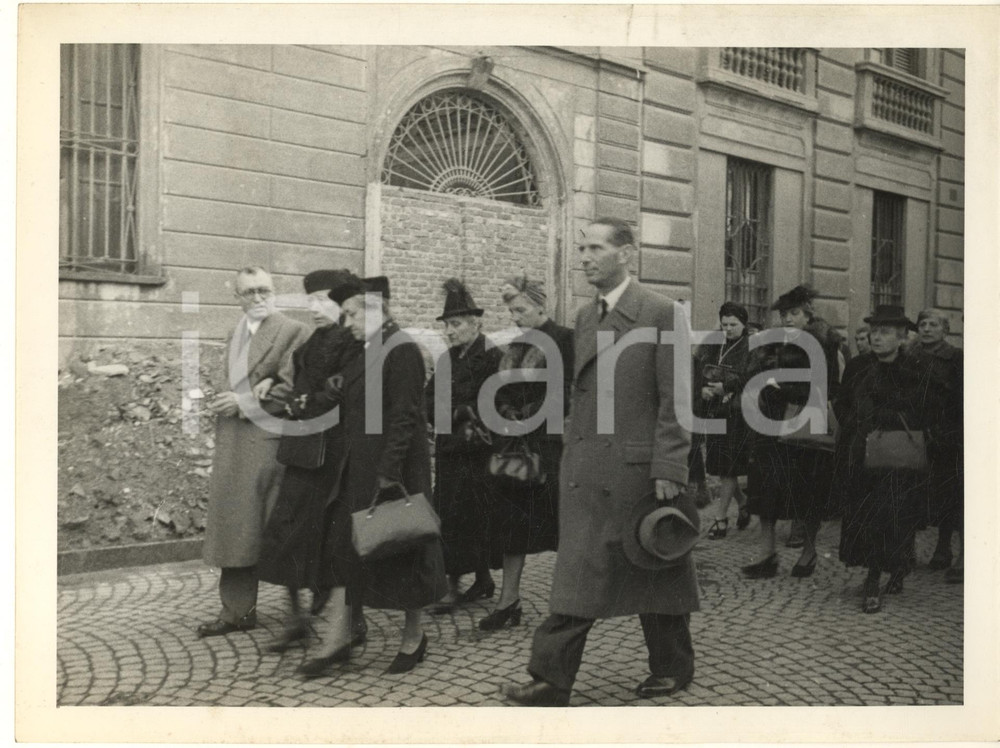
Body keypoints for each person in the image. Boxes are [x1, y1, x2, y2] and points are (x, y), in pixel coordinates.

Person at [502, 217, 699, 706]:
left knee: (657, 565)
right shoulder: (586, 317)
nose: (584, 257)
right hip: (589, 471)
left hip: (638, 473)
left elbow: (677, 399)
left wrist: (669, 468)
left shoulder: (661, 313)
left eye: (594, 248)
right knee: (580, 574)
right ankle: (551, 680)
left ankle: (673, 667)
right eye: (581, 248)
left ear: (625, 254)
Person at [298, 274, 447, 678]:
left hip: (393, 470)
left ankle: (413, 639)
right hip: (360, 467)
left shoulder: (402, 350)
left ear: (374, 308)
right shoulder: (369, 349)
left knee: (404, 550)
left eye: (350, 314)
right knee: (348, 550)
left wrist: (388, 473)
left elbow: (405, 417)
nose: (345, 323)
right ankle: (338, 641)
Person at [254, 270, 366, 652]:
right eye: (311, 301)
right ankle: (298, 618)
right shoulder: (313, 339)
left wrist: (305, 402)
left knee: (332, 539)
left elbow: (344, 394)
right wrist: (275, 384)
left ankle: (348, 620)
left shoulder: (353, 341)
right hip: (303, 450)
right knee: (286, 532)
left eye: (324, 300)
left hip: (335, 453)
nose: (315, 308)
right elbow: (296, 380)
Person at [197, 267, 310, 638]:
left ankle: (305, 610)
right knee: (235, 530)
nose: (258, 298)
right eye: (249, 293)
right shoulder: (234, 333)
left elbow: (292, 389)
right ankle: (237, 610)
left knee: (273, 531)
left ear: (275, 292)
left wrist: (243, 403)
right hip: (233, 443)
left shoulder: (293, 331)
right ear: (237, 297)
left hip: (266, 444)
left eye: (264, 290)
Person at [479, 275, 573, 631]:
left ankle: (568, 604)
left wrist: (531, 413)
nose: (514, 316)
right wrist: (505, 411)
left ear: (539, 307)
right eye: (511, 310)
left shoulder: (564, 340)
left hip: (551, 447)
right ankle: (509, 602)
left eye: (520, 309)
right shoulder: (517, 346)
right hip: (516, 448)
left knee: (560, 526)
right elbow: (499, 390)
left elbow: (568, 391)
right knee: (510, 524)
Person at [837, 306, 941, 613]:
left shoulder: (915, 370)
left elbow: (927, 410)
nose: (877, 337)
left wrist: (887, 418)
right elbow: (840, 403)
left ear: (901, 338)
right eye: (875, 331)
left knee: (892, 515)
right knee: (864, 514)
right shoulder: (858, 367)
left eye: (885, 332)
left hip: (897, 457)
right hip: (861, 453)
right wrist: (856, 424)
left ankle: (877, 579)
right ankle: (883, 571)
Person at [742, 284, 843, 579]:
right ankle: (767, 555)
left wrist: (784, 390)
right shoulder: (775, 343)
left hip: (802, 424)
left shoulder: (825, 342)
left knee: (808, 493)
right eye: (784, 314)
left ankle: (808, 552)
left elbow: (829, 386)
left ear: (808, 314)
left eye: (794, 313)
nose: (788, 319)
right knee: (764, 490)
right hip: (770, 425)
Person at [425, 278, 502, 612]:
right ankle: (481, 579)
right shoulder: (446, 361)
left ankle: (453, 586)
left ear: (476, 324)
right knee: (451, 514)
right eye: (447, 326)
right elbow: (426, 401)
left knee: (472, 517)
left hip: (480, 453)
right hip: (450, 452)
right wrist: (456, 411)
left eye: (456, 324)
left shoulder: (494, 358)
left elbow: (499, 405)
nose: (450, 332)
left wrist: (464, 414)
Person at [908, 309, 963, 582]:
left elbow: (961, 401)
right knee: (913, 491)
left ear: (945, 330)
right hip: (914, 434)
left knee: (948, 494)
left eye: (934, 325)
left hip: (946, 437)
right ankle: (907, 550)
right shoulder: (909, 357)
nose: (927, 329)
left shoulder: (955, 358)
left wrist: (946, 431)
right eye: (922, 324)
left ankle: (945, 549)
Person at [700, 302, 753, 540]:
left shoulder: (751, 346)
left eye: (734, 324)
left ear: (744, 324)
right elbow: (702, 369)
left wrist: (727, 387)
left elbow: (752, 375)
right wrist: (705, 389)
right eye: (725, 324)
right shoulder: (716, 344)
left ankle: (720, 519)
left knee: (728, 466)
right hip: (715, 410)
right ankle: (743, 503)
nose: (729, 329)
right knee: (721, 465)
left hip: (738, 414)